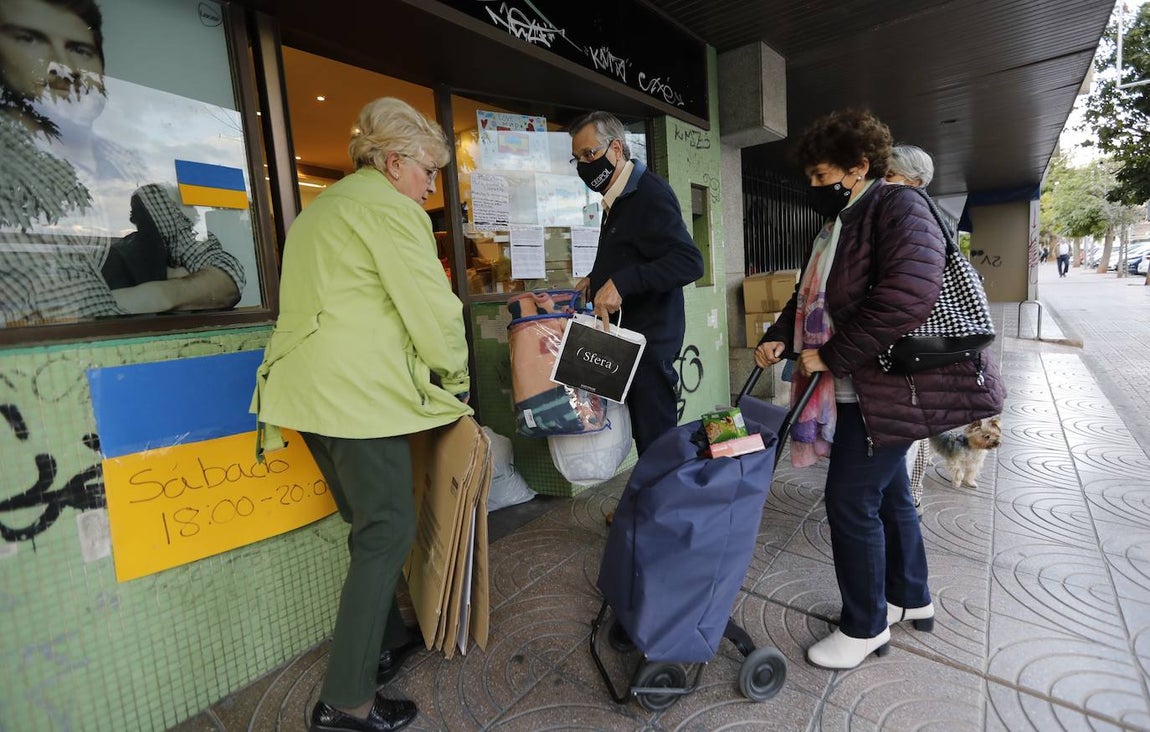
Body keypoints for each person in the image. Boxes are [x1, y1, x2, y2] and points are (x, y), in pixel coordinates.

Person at [754, 109, 1004, 669]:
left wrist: (832, 355)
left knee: (849, 501)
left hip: (888, 388)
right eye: (810, 176)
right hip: (867, 388)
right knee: (889, 495)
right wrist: (780, 337)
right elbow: (809, 297)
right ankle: (911, 597)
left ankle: (865, 626)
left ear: (859, 166)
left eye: (822, 175)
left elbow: (906, 298)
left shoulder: (896, 207)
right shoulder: (843, 220)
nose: (814, 185)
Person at [252, 97, 471, 732]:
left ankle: (384, 643)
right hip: (354, 397)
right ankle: (345, 703)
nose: (430, 185)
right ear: (394, 161)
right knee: (387, 530)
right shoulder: (391, 210)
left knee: (369, 523)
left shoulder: (321, 210)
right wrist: (457, 381)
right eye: (427, 169)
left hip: (303, 395)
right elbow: (432, 309)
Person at [0, 0, 243, 326]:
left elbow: (228, 273)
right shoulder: (9, 174)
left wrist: (157, 294)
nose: (65, 67)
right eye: (31, 40)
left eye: (80, 50)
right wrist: (185, 286)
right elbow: (68, 311)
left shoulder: (131, 169)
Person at [568, 111, 704, 455]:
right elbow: (635, 253)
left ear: (616, 148)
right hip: (625, 346)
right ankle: (649, 492)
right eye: (578, 158)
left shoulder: (648, 194)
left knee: (657, 446)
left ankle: (663, 493)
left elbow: (689, 262)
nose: (584, 165)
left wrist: (621, 283)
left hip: (649, 349)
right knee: (642, 440)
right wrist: (596, 279)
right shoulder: (617, 199)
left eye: (589, 154)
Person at [884, 143, 937, 517]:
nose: (882, 182)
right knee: (910, 431)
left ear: (915, 182)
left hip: (912, 348)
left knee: (905, 434)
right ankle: (906, 498)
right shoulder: (911, 216)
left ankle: (903, 501)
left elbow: (905, 296)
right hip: (909, 347)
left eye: (890, 175)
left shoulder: (913, 220)